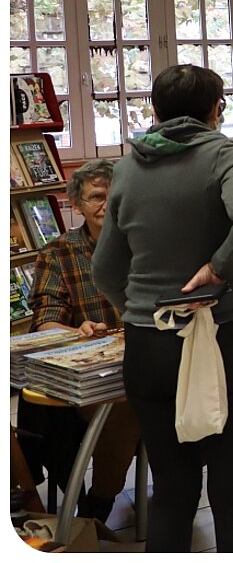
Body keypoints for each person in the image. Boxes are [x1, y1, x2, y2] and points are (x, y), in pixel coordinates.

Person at [92, 65, 233, 552]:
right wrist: (218, 268)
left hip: (150, 344)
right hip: (225, 336)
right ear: (217, 109)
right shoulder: (224, 155)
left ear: (155, 111)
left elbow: (105, 270)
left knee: (172, 491)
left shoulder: (128, 168)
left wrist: (138, 310)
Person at [25, 159, 138, 524]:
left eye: (115, 196)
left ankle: (179, 490)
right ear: (77, 205)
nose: (107, 204)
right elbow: (45, 323)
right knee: (124, 408)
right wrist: (78, 331)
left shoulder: (143, 244)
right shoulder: (58, 253)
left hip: (146, 363)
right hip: (92, 378)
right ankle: (98, 505)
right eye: (97, 197)